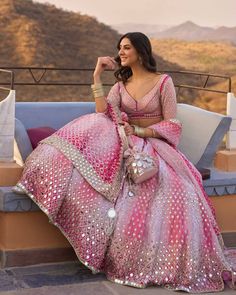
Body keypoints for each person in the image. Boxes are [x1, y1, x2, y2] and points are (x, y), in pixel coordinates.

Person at [15, 32, 235, 292]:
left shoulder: (164, 82)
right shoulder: (121, 86)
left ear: (141, 51)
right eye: (119, 48)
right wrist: (97, 76)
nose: (120, 52)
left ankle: (164, 259)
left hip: (156, 145)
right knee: (95, 127)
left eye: (126, 48)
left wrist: (142, 131)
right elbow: (103, 111)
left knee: (176, 191)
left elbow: (173, 124)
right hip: (127, 144)